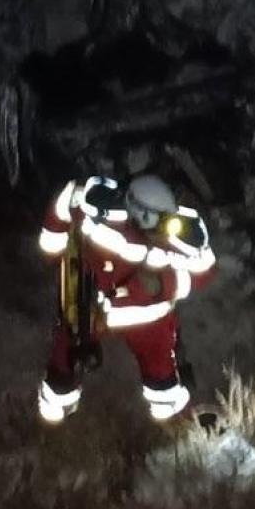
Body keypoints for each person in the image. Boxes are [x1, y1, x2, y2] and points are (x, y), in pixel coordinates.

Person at [35, 172, 217, 424]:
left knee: (161, 370)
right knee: (64, 355)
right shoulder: (97, 212)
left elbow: (203, 273)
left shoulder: (185, 234)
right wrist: (60, 259)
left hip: (149, 318)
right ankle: (54, 411)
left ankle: (171, 418)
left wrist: (163, 286)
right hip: (90, 307)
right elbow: (60, 220)